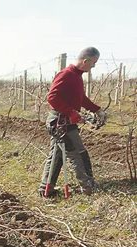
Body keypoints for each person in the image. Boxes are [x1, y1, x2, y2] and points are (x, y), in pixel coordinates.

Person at [38, 47, 107, 198]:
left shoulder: (77, 76)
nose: (93, 66)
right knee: (78, 153)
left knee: (56, 155)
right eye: (93, 63)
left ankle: (46, 189)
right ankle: (87, 186)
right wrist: (71, 112)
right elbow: (52, 97)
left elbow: (81, 98)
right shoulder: (66, 74)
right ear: (85, 61)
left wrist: (97, 110)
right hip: (60, 121)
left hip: (63, 120)